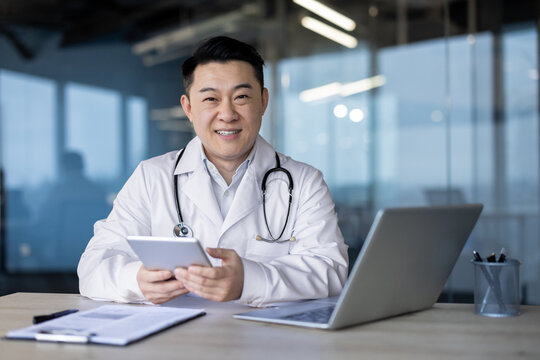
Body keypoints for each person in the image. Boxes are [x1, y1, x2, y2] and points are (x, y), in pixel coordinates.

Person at [78, 36, 348, 307]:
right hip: (175, 340)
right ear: (188, 108)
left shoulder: (304, 182)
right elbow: (93, 266)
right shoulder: (152, 177)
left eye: (241, 97)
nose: (227, 114)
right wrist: (135, 279)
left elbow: (331, 271)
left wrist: (250, 280)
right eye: (210, 99)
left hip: (266, 341)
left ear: (263, 102)